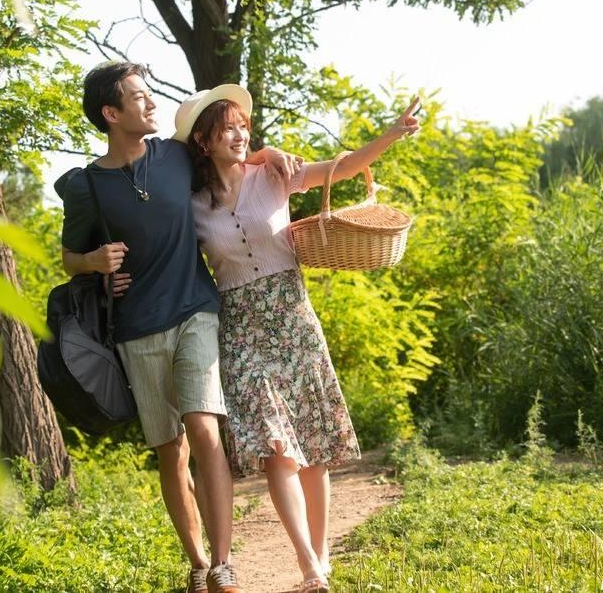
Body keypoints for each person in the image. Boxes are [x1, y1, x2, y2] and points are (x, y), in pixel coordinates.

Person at [55, 62, 299, 593]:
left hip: (196, 309)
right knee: (172, 449)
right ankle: (195, 562)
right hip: (136, 327)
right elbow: (70, 257)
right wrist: (95, 263)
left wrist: (267, 154)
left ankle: (222, 563)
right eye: (138, 98)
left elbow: (225, 152)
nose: (151, 104)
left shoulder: (175, 156)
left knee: (205, 430)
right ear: (110, 113)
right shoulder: (86, 187)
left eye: (149, 95)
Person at [179, 84, 418, 592]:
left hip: (293, 318)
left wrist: (392, 134)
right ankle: (308, 562)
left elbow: (344, 167)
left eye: (244, 126)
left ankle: (322, 552)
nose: (241, 134)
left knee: (311, 443)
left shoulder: (273, 174)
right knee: (276, 447)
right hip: (240, 327)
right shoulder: (191, 204)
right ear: (204, 141)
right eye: (228, 128)